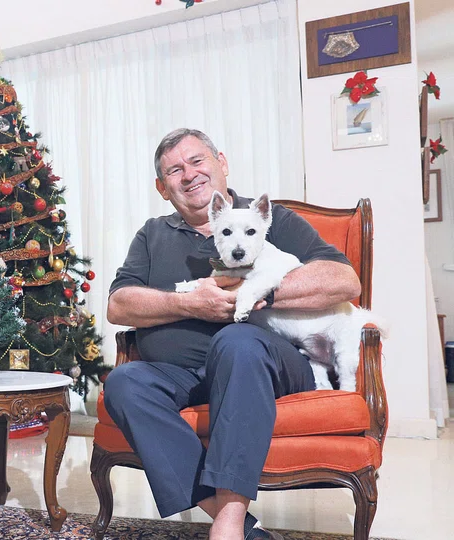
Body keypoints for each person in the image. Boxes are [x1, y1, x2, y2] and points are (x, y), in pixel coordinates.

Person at [104, 129, 361, 540]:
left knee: (236, 341)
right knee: (123, 382)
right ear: (162, 187)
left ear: (221, 163)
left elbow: (344, 281)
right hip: (182, 374)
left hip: (266, 364)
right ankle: (240, 525)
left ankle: (227, 525)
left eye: (197, 161)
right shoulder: (152, 233)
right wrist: (189, 304)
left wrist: (257, 294)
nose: (189, 174)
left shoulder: (266, 219)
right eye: (174, 170)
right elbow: (119, 305)